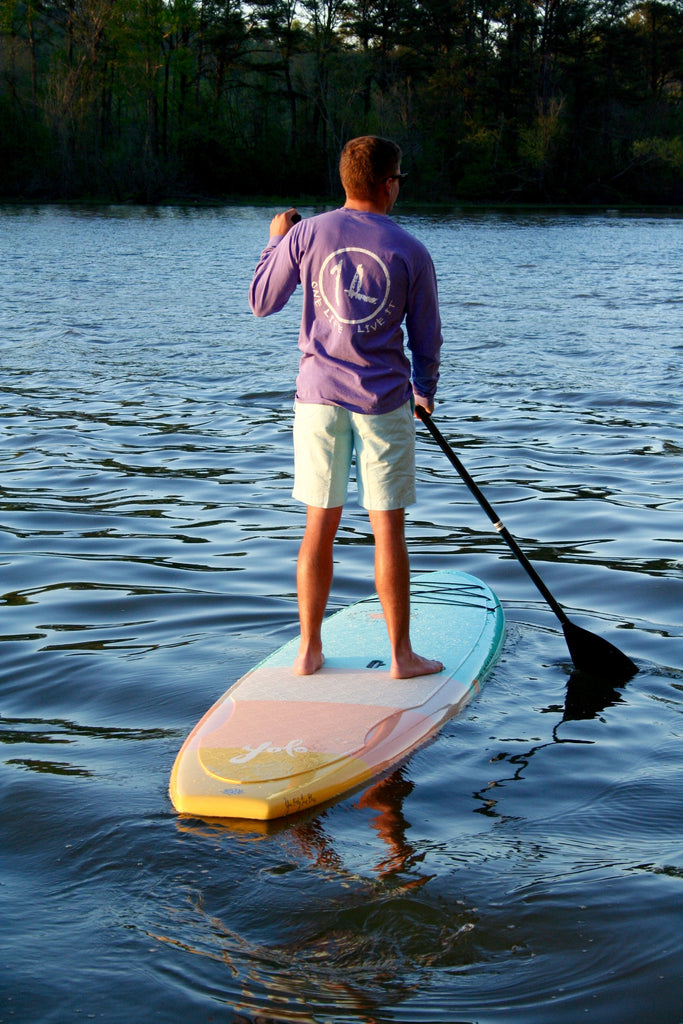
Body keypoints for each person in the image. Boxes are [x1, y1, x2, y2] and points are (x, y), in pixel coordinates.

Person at [249, 135, 443, 679]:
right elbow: (426, 337)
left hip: (318, 401)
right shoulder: (411, 250)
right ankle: (401, 657)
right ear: (387, 185)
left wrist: (276, 242)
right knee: (388, 531)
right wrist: (425, 390)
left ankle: (309, 651)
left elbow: (261, 301)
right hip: (384, 403)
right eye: (398, 179)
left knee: (319, 525)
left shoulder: (305, 234)